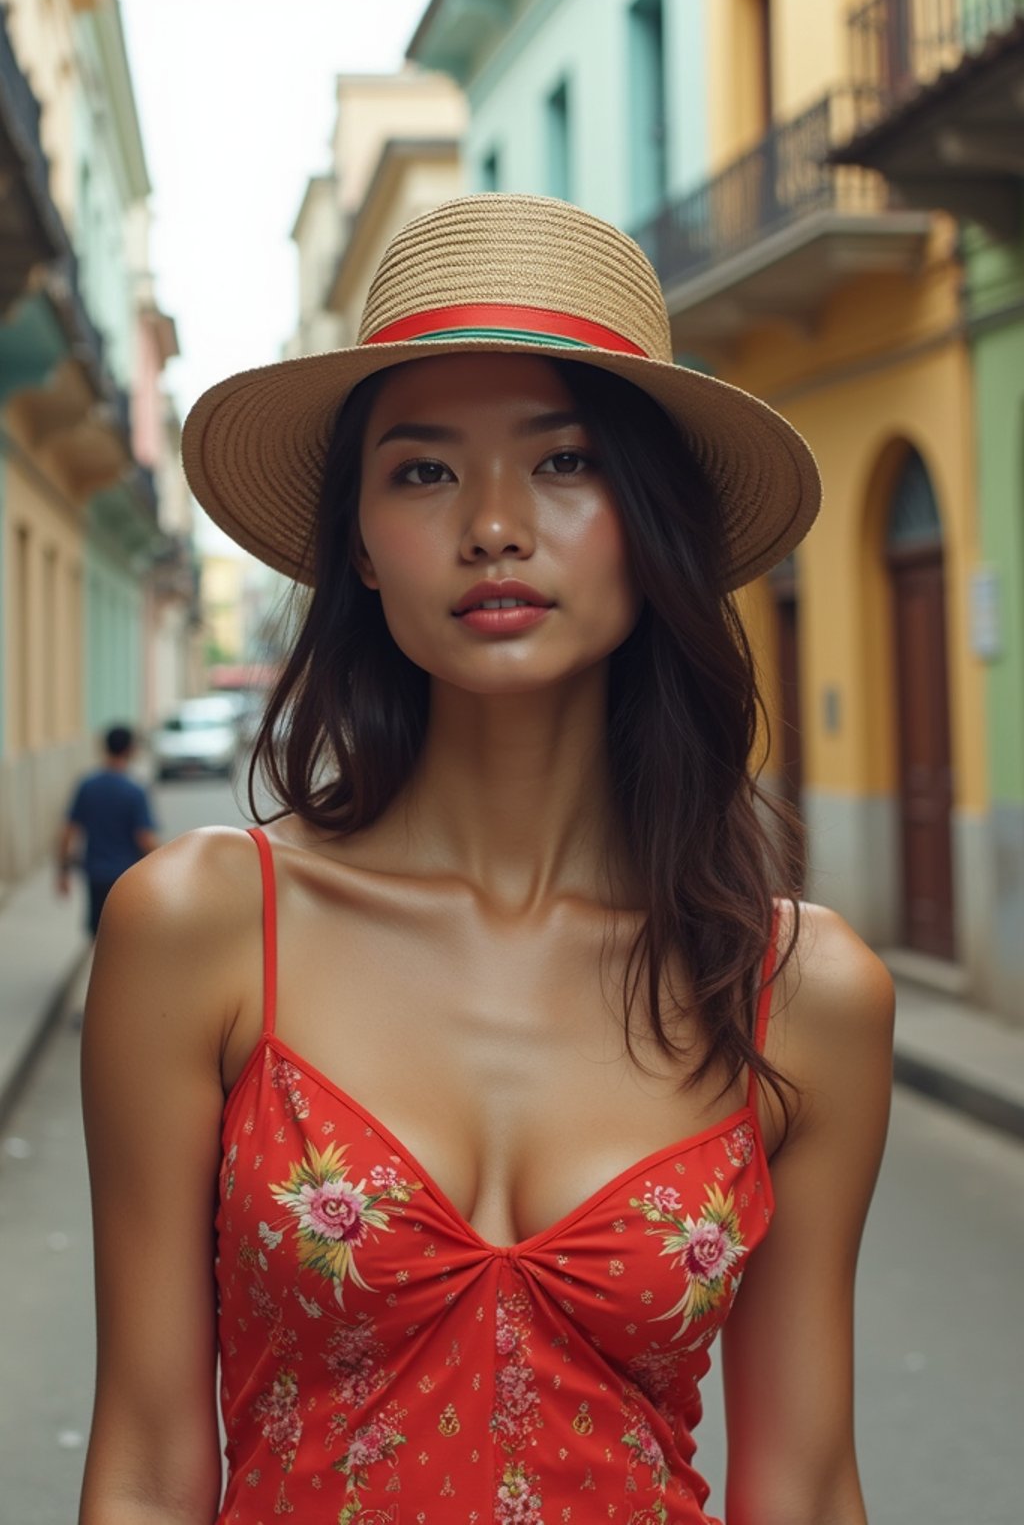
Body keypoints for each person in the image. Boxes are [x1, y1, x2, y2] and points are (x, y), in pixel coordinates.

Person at [78, 194, 894, 1525]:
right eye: (423, 470)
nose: (496, 524)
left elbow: (802, 1485)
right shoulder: (206, 928)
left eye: (565, 463)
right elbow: (146, 1470)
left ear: (648, 520)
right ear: (359, 541)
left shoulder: (801, 990)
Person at [58, 723, 159, 937]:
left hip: (95, 874)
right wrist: (164, 866)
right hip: (126, 877)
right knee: (125, 934)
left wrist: (63, 872)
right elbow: (144, 838)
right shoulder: (134, 791)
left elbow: (68, 831)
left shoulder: (87, 786)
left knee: (98, 933)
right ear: (130, 750)